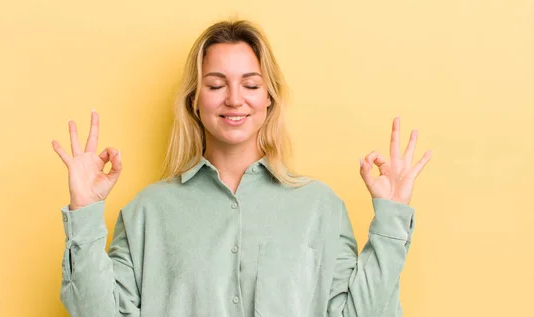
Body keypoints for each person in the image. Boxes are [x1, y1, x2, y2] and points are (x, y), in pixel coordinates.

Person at [51, 19, 432, 317]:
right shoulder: (147, 213)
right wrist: (84, 211)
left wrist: (391, 221)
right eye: (216, 85)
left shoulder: (320, 207)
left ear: (269, 99)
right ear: (194, 101)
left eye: (250, 85)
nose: (234, 99)